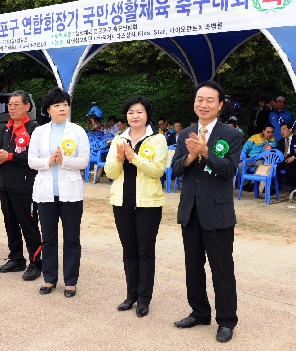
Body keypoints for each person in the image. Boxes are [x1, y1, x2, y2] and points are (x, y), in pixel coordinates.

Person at [171, 80, 242, 343]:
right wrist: (190, 156)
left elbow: (228, 170)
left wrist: (206, 152)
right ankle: (199, 311)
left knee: (222, 268)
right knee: (193, 266)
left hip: (218, 212)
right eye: (200, 99)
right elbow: (177, 169)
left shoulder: (232, 135)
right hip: (190, 211)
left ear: (220, 105)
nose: (204, 104)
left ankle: (226, 320)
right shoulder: (185, 133)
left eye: (210, 100)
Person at [104, 96, 167, 317]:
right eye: (130, 112)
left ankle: (144, 299)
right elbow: (110, 172)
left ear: (147, 114)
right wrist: (120, 159)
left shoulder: (158, 140)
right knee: (129, 251)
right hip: (122, 202)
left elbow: (157, 171)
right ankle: (131, 295)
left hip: (148, 204)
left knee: (145, 251)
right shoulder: (119, 139)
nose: (135, 116)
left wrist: (133, 157)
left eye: (139, 112)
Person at [28, 87, 89, 298]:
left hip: (71, 193)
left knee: (72, 238)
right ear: (48, 110)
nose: (62, 108)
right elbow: (32, 160)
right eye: (57, 105)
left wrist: (65, 161)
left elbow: (83, 161)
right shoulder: (39, 132)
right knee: (48, 238)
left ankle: (70, 281)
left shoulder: (78, 131)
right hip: (46, 194)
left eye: (65, 104)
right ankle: (49, 278)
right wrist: (50, 161)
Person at [0, 90, 42, 281]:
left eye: (16, 104)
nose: (12, 108)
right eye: (10, 105)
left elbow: (34, 157)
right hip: (5, 184)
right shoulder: (6, 128)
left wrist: (9, 156)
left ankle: (36, 262)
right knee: (10, 224)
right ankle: (16, 258)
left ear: (27, 106)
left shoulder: (34, 129)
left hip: (25, 187)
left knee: (29, 225)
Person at [240, 123, 277, 191]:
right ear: (263, 131)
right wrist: (242, 156)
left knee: (261, 165)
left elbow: (272, 153)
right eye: (268, 132)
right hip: (251, 158)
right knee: (240, 165)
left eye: (272, 132)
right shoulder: (255, 137)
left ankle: (253, 183)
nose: (270, 134)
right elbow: (245, 148)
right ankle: (246, 184)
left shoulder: (273, 141)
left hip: (261, 160)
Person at [277, 123, 296, 198]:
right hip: (284, 159)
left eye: (284, 129)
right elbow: (278, 152)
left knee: (289, 167)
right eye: (281, 130)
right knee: (275, 166)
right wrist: (282, 157)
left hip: (295, 159)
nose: (282, 132)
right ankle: (274, 185)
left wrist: (294, 157)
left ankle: (293, 187)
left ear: (290, 130)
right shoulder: (280, 141)